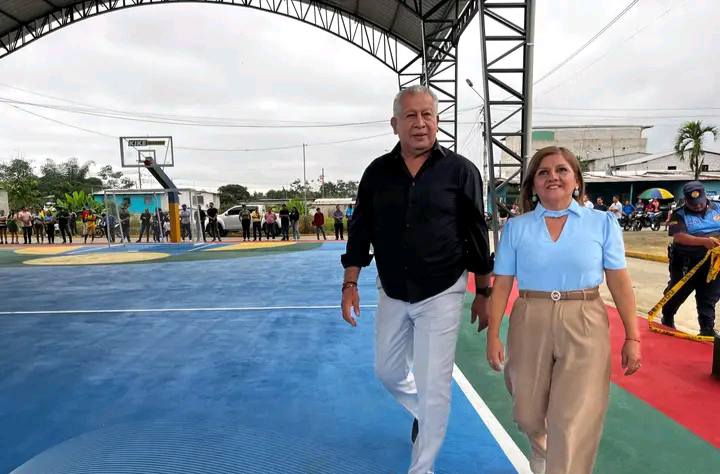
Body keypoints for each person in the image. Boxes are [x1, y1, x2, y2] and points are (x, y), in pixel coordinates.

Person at [341, 85, 493, 474]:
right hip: (393, 289)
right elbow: (361, 230)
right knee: (388, 371)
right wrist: (350, 283)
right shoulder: (377, 173)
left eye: (427, 115)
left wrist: (484, 291)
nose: (420, 123)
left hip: (442, 289)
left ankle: (421, 467)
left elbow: (476, 233)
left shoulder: (461, 171)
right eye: (411, 115)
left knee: (434, 384)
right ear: (395, 124)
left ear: (437, 122)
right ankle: (424, 414)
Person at [487, 146, 641, 474]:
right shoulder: (517, 227)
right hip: (530, 316)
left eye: (561, 170)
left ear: (577, 181)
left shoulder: (602, 223)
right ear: (533, 184)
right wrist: (493, 335)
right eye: (543, 172)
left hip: (584, 317)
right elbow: (502, 285)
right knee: (527, 413)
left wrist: (633, 336)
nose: (552, 177)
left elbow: (619, 281)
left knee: (572, 419)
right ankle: (542, 448)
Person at [662, 181, 720, 337]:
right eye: (694, 204)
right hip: (685, 261)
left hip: (713, 261)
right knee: (678, 291)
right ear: (686, 200)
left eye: (700, 202)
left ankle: (706, 328)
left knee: (709, 294)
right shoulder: (678, 213)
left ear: (705, 196)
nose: (698, 206)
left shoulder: (718, 207)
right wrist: (704, 242)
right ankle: (667, 316)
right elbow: (679, 237)